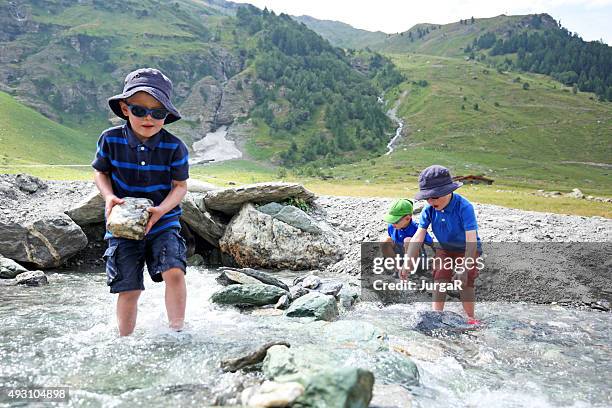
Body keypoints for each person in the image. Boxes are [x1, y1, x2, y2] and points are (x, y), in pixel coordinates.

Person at [92, 68, 189, 336]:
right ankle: (125, 340)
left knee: (174, 271)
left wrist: (160, 211)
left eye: (158, 112)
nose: (149, 118)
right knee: (128, 287)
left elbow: (180, 187)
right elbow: (100, 172)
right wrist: (109, 196)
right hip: (123, 226)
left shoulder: (175, 147)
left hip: (163, 221)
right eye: (139, 110)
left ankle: (177, 331)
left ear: (166, 115)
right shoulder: (110, 139)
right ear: (125, 109)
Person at [401, 165, 482, 324]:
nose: (430, 201)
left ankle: (470, 318)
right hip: (444, 248)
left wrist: (464, 267)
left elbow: (471, 240)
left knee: (465, 281)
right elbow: (418, 236)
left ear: (448, 191)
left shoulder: (464, 207)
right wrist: (407, 262)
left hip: (467, 249)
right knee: (440, 277)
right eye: (427, 198)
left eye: (435, 197)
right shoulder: (429, 209)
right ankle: (436, 314)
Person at [381, 199, 433, 276]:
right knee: (386, 240)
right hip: (400, 257)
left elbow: (431, 244)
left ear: (407, 218)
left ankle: (409, 271)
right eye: (391, 221)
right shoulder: (392, 227)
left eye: (395, 221)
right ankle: (397, 267)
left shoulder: (417, 229)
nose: (392, 224)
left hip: (416, 260)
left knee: (408, 240)